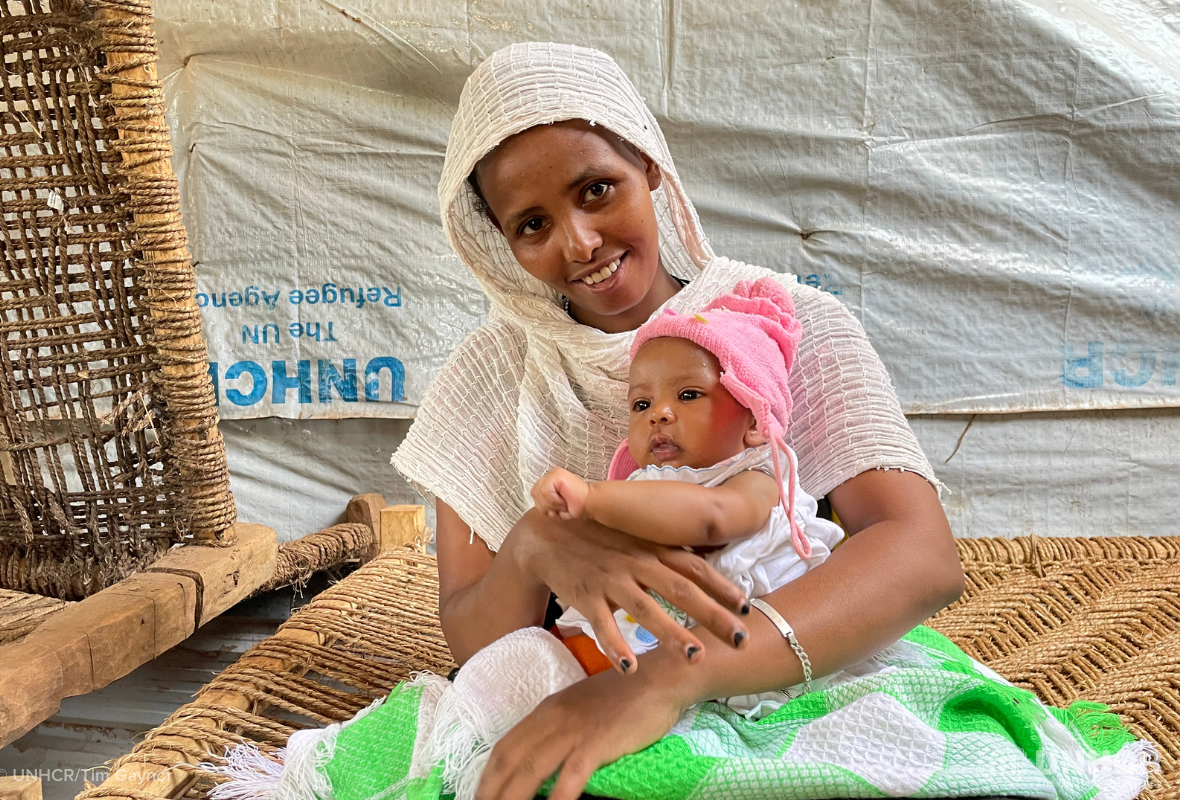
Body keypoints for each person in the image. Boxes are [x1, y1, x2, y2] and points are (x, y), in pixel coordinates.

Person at [391, 42, 967, 800]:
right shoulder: (488, 379)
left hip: (778, 676)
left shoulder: (784, 326)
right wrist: (535, 547)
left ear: (651, 165)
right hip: (582, 683)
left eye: (597, 189)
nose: (580, 242)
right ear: (499, 244)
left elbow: (921, 557)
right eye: (532, 224)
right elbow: (472, 639)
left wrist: (668, 679)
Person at [531, 277, 849, 715]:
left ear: (755, 422)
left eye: (688, 395)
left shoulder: (756, 480)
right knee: (556, 656)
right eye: (641, 405)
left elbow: (709, 518)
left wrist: (592, 499)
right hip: (657, 641)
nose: (659, 414)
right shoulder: (641, 488)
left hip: (748, 658)